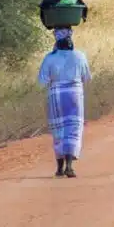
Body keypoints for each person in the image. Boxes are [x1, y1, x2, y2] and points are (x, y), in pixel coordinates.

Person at [38, 28, 91, 178]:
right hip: (75, 95)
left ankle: (59, 168)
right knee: (73, 128)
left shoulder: (49, 58)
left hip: (56, 96)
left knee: (58, 130)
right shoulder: (80, 56)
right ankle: (69, 166)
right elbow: (86, 77)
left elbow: (43, 80)